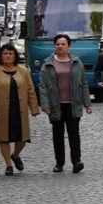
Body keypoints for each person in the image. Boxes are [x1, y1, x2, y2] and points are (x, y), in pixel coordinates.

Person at [35, 33, 91, 174]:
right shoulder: (48, 64)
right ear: (54, 46)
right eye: (58, 44)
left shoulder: (77, 62)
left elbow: (83, 83)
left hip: (73, 103)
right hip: (56, 104)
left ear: (69, 46)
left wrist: (87, 103)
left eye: (63, 44)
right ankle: (59, 163)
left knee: (74, 133)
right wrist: (45, 105)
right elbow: (42, 86)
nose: (60, 46)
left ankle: (76, 161)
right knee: (58, 134)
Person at [0, 43, 42, 177]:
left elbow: (30, 90)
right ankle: (8, 165)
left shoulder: (23, 71)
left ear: (15, 56)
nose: (7, 56)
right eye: (5, 53)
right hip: (1, 111)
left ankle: (15, 155)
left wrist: (33, 108)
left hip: (19, 110)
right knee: (3, 138)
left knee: (22, 137)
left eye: (10, 53)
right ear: (1, 56)